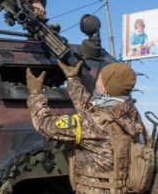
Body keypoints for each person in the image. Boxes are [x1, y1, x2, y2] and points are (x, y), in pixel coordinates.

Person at [26, 61, 146, 193]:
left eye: (100, 78)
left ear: (106, 88)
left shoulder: (92, 122)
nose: (97, 80)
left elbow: (45, 125)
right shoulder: (130, 112)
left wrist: (35, 93)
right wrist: (72, 78)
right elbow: (90, 110)